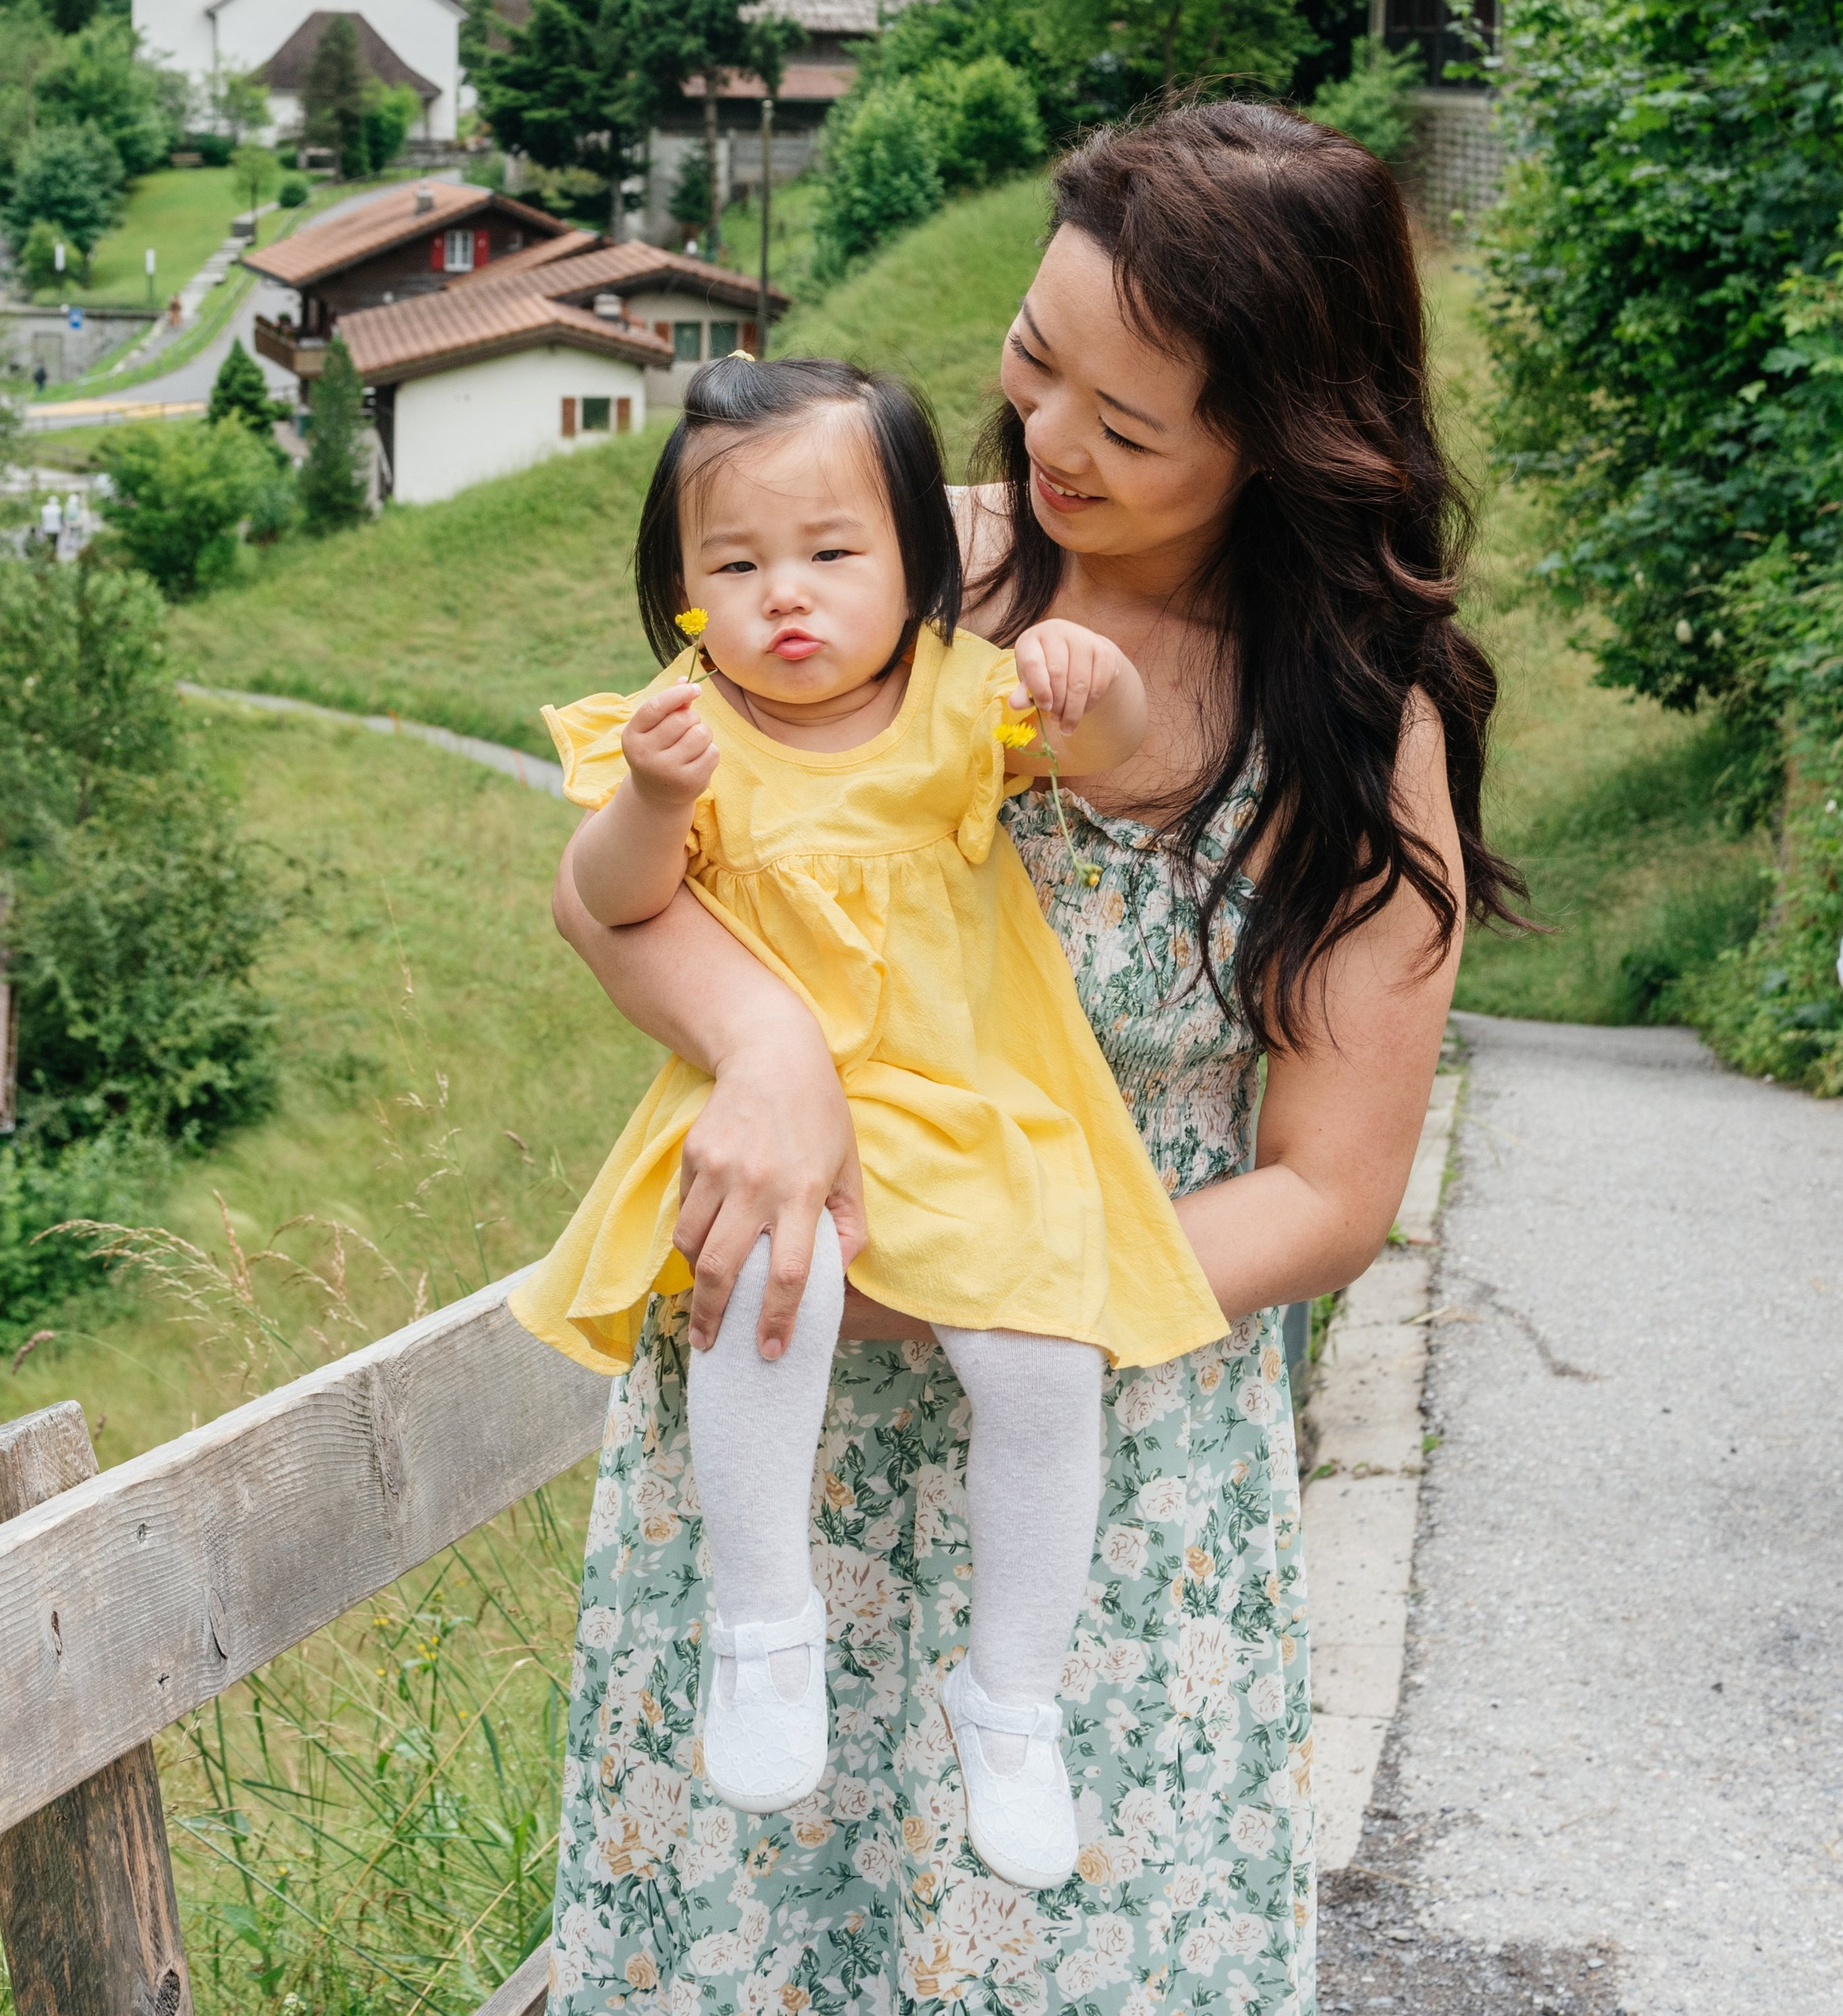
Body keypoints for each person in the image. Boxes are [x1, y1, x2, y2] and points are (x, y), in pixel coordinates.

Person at [539, 101, 1520, 2016]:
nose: (1050, 440)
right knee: (744, 1953)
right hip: (781, 1429)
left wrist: (1011, 1280)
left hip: (1105, 1464)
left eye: (1129, 424)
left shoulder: (1350, 728)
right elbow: (630, 878)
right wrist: (767, 1053)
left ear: (1289, 441)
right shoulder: (895, 574)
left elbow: (1332, 1194)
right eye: (1033, 358)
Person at [515, 354, 1227, 1884]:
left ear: (915, 556)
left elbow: (1103, 757)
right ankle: (761, 1621)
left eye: (832, 554)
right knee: (776, 1276)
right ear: (680, 590)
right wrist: (647, 797)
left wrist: (1089, 692)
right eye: (734, 562)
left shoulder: (957, 699)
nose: (787, 596)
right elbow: (612, 901)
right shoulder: (685, 729)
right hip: (776, 1121)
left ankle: (1013, 1696)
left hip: (974, 1108)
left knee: (1042, 1357)